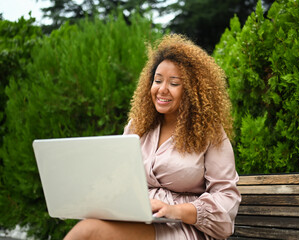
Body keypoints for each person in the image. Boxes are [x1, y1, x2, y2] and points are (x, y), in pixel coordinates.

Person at [64, 34, 241, 240]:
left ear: (192, 91)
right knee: (89, 226)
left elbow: (226, 199)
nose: (162, 89)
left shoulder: (209, 133)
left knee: (90, 232)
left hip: (182, 228)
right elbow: (120, 179)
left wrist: (174, 210)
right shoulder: (138, 127)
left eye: (174, 83)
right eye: (157, 81)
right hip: (138, 220)